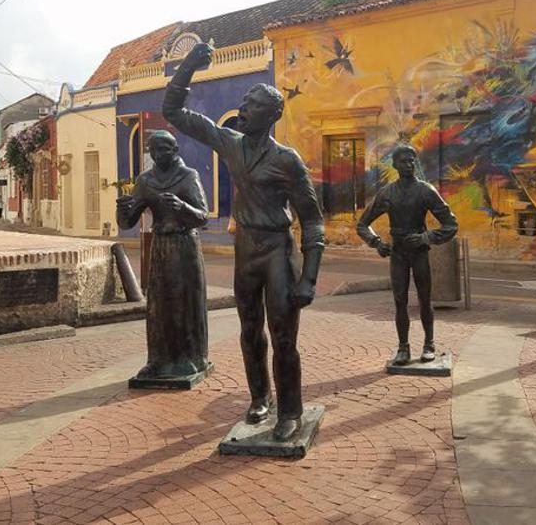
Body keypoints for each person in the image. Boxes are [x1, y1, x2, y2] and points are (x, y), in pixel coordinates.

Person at [163, 42, 325, 443]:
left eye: (251, 106)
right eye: (244, 104)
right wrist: (188, 65)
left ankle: (291, 410)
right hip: (246, 249)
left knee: (284, 336)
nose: (243, 110)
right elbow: (174, 112)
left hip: (278, 251)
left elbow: (312, 221)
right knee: (250, 329)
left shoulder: (287, 160)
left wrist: (309, 279)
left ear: (271, 115)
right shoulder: (230, 143)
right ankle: (259, 399)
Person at [117, 131, 210, 382]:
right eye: (154, 150)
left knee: (184, 302)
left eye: (164, 149)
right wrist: (122, 210)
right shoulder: (145, 180)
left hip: (185, 245)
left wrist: (182, 207)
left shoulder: (189, 176)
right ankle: (157, 361)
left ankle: (190, 357)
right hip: (161, 246)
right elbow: (127, 222)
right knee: (158, 304)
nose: (159, 155)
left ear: (175, 150)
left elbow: (203, 217)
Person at [356, 144, 458, 366]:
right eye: (404, 161)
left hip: (419, 252)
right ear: (395, 165)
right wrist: (376, 242)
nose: (409, 164)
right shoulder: (387, 193)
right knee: (400, 301)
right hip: (398, 253)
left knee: (424, 299)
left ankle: (429, 344)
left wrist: (426, 237)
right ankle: (403, 347)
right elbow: (362, 224)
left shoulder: (425, 191)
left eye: (412, 160)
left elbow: (451, 225)